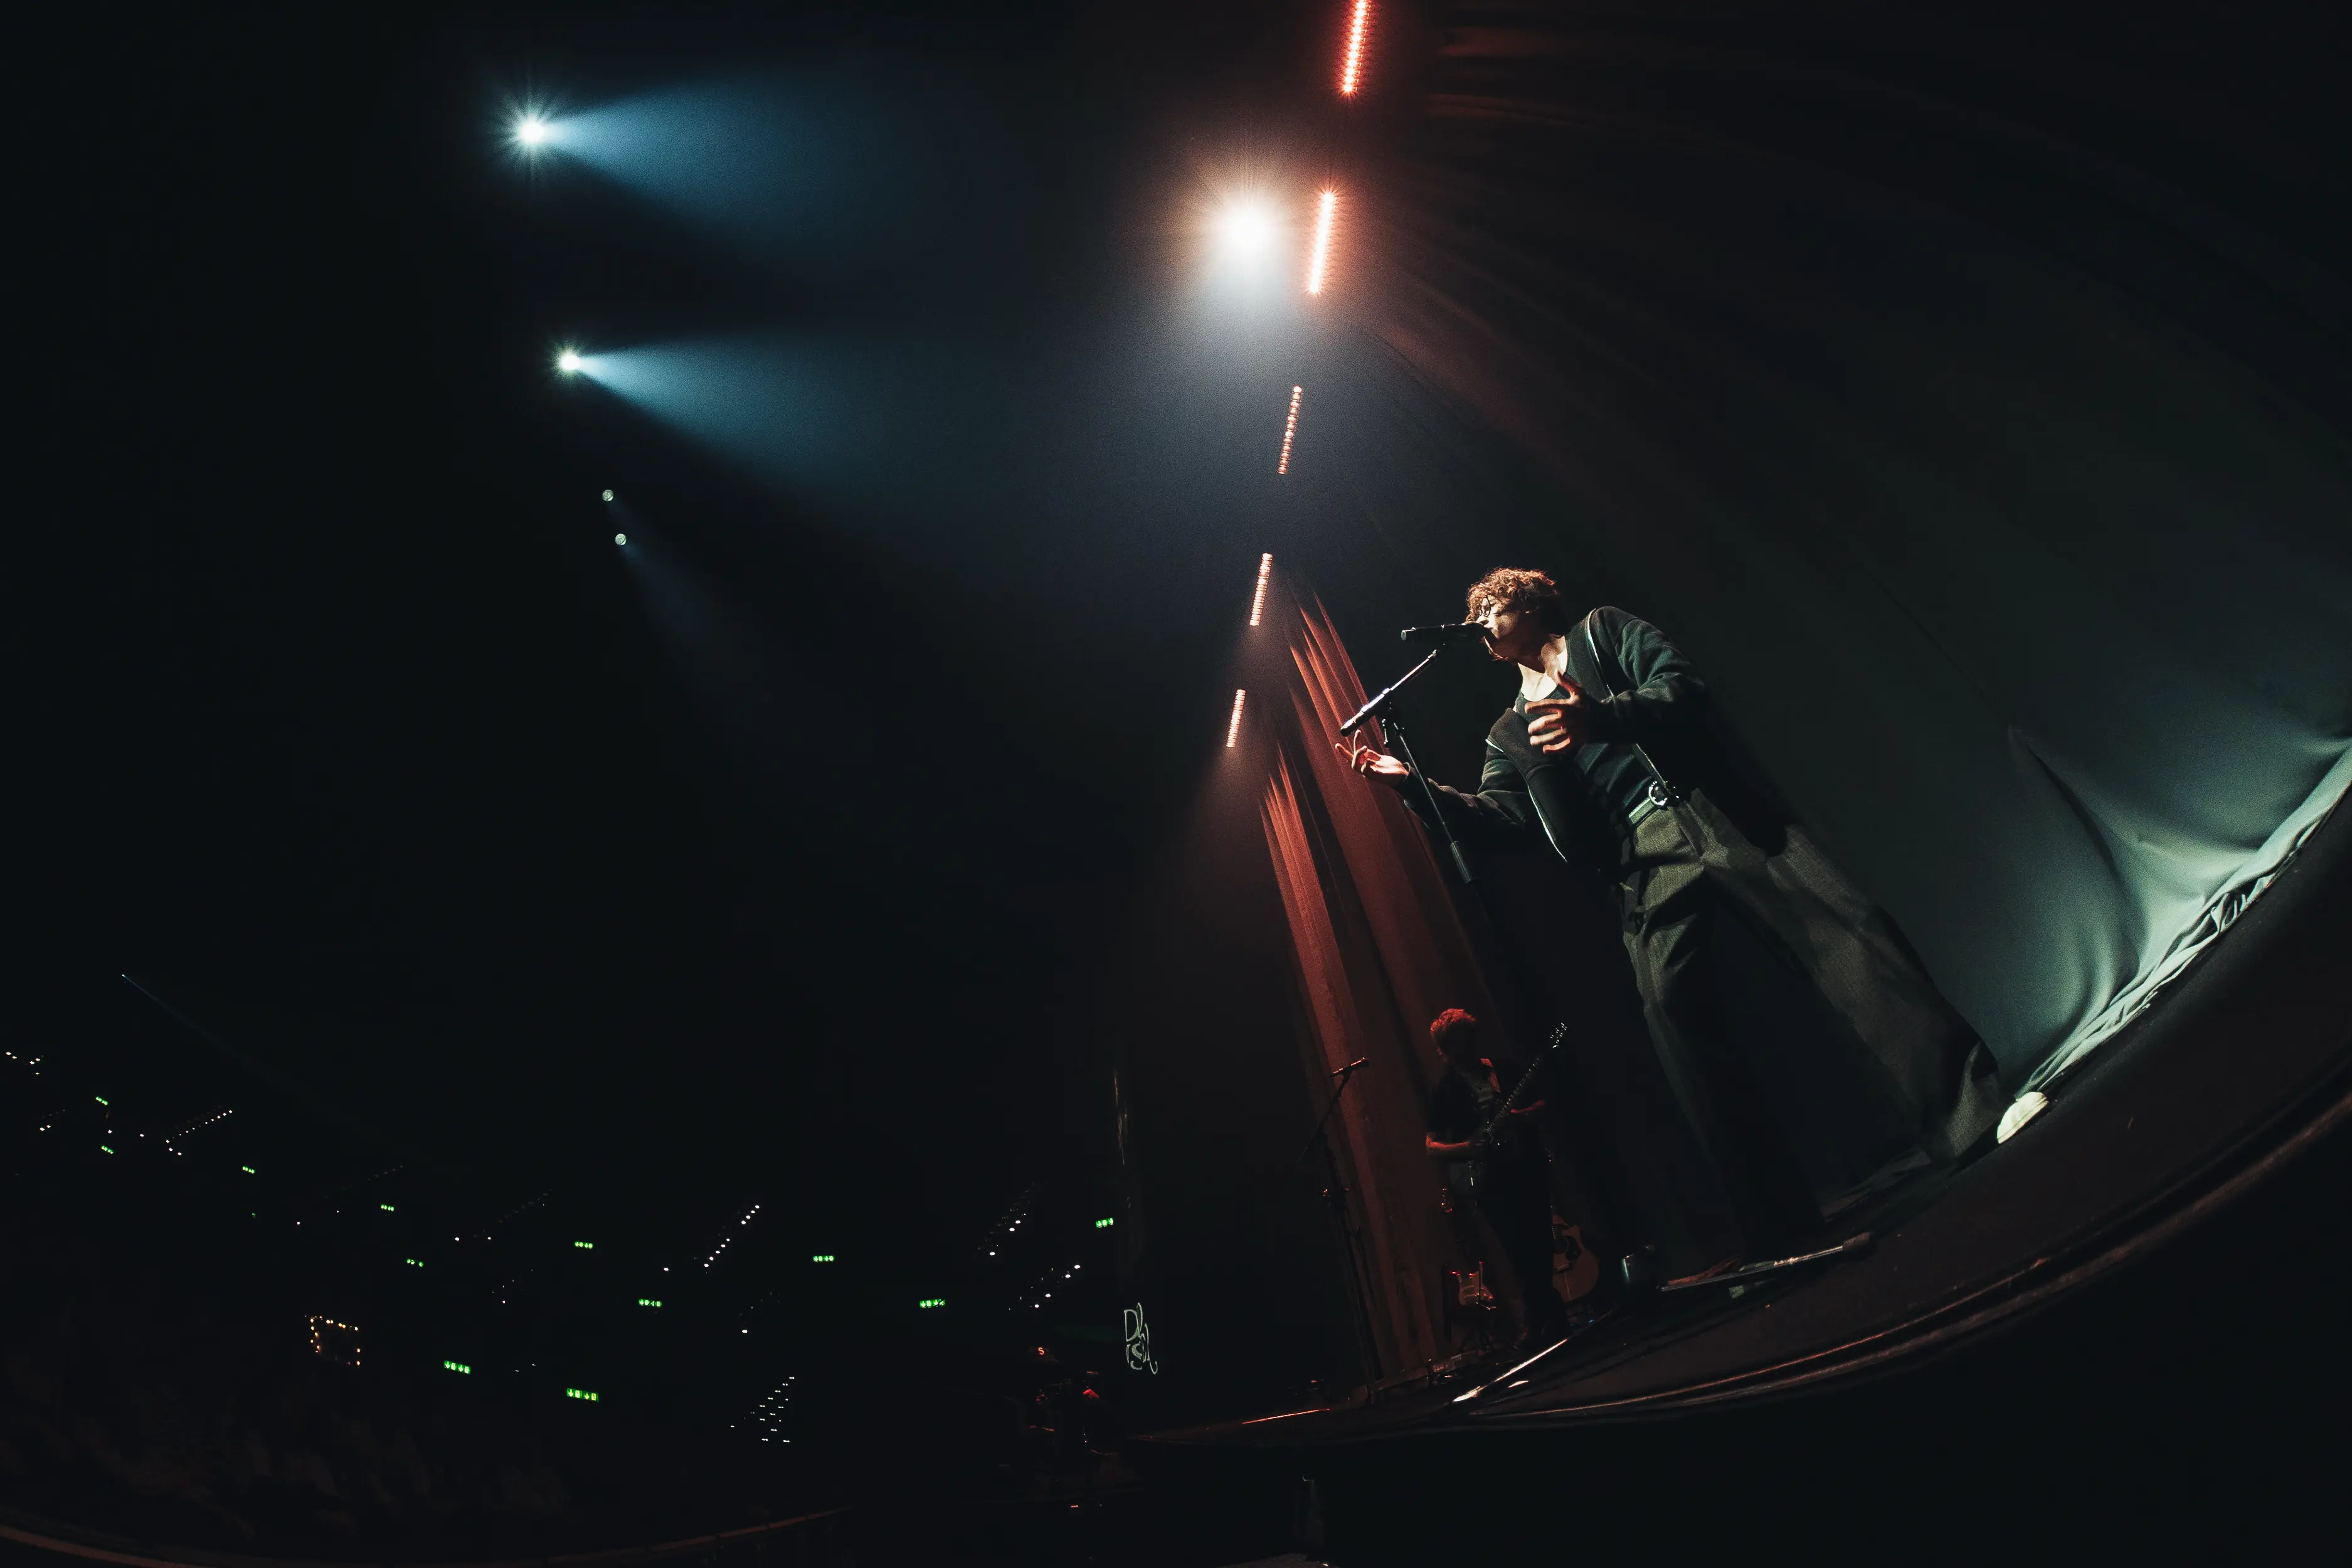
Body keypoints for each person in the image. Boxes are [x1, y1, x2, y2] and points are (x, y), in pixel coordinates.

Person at [1348, 568, 2006, 1264]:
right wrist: (1414, 787)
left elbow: (1682, 686)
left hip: (1710, 812)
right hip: (1641, 862)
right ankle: (1775, 1225)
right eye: (1474, 612)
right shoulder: (1508, 732)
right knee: (1674, 1017)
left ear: (1531, 604)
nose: (1480, 618)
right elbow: (1500, 819)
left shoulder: (1602, 633)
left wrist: (1600, 718)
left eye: (1491, 605)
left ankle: (1975, 1114)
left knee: (1851, 940)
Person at [1424, 1007, 1571, 1350]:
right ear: (1445, 1049)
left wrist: (1521, 1116)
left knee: (1540, 1241)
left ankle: (1542, 1320)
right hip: (1490, 1180)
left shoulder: (1503, 1070)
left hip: (1527, 1166)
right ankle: (1545, 1318)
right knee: (1516, 1248)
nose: (1464, 1049)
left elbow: (1546, 1103)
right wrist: (1468, 1148)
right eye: (1455, 1044)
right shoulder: (1446, 1091)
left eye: (1467, 1040)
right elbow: (1431, 1147)